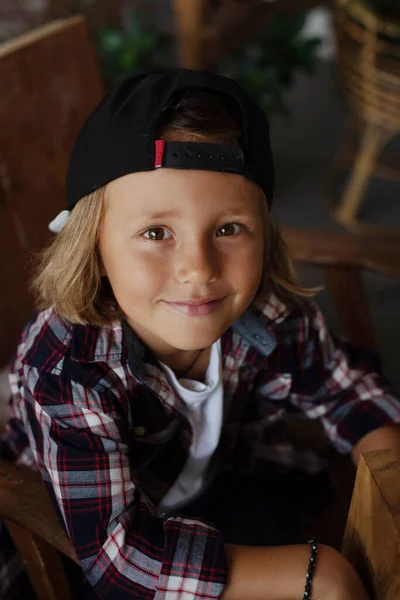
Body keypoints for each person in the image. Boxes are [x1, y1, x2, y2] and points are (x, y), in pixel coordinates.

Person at [1, 69, 399, 600]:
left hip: (219, 479)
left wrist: (390, 475)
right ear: (93, 246)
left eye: (229, 229)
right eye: (156, 233)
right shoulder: (66, 366)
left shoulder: (270, 314)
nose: (198, 268)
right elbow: (121, 559)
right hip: (90, 534)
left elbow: (345, 389)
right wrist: (317, 575)